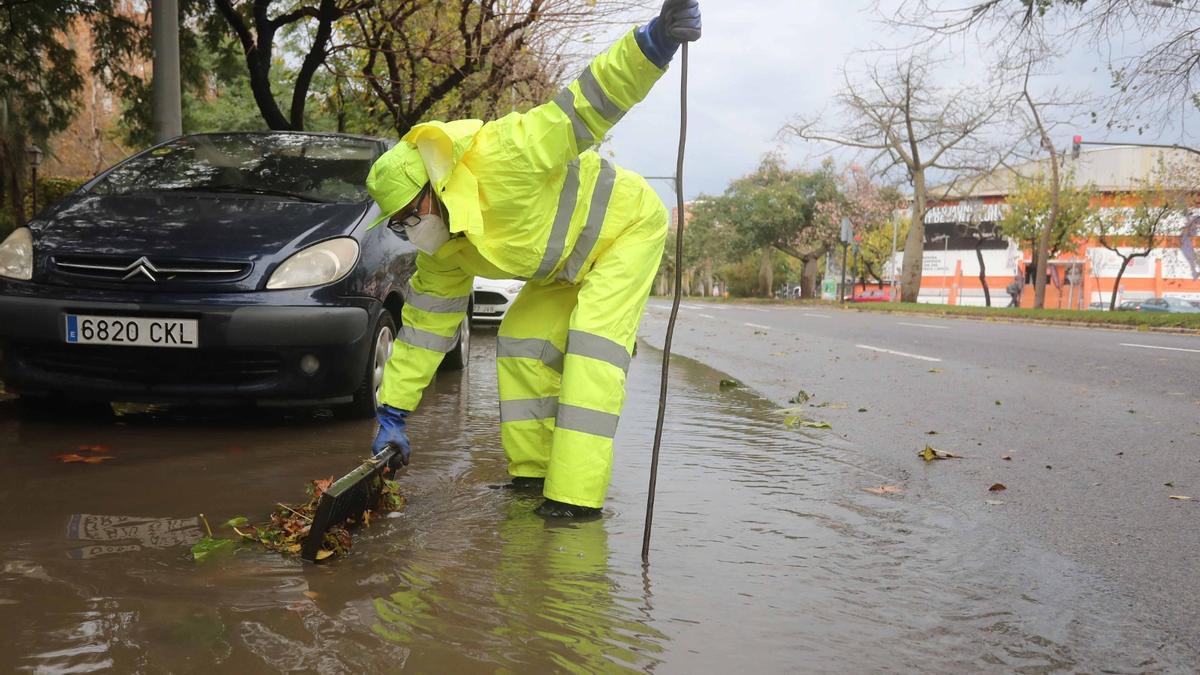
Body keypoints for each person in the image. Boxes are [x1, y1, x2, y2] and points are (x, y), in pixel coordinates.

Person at [365, 0, 702, 520]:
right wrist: (392, 410)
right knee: (521, 340)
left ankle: (574, 500)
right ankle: (534, 478)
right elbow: (425, 332)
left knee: (592, 345)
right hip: (564, 268)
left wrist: (654, 43)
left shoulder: (505, 155)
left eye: (413, 212)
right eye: (398, 222)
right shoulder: (444, 252)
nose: (410, 228)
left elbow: (585, 106)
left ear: (437, 184)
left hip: (626, 231)